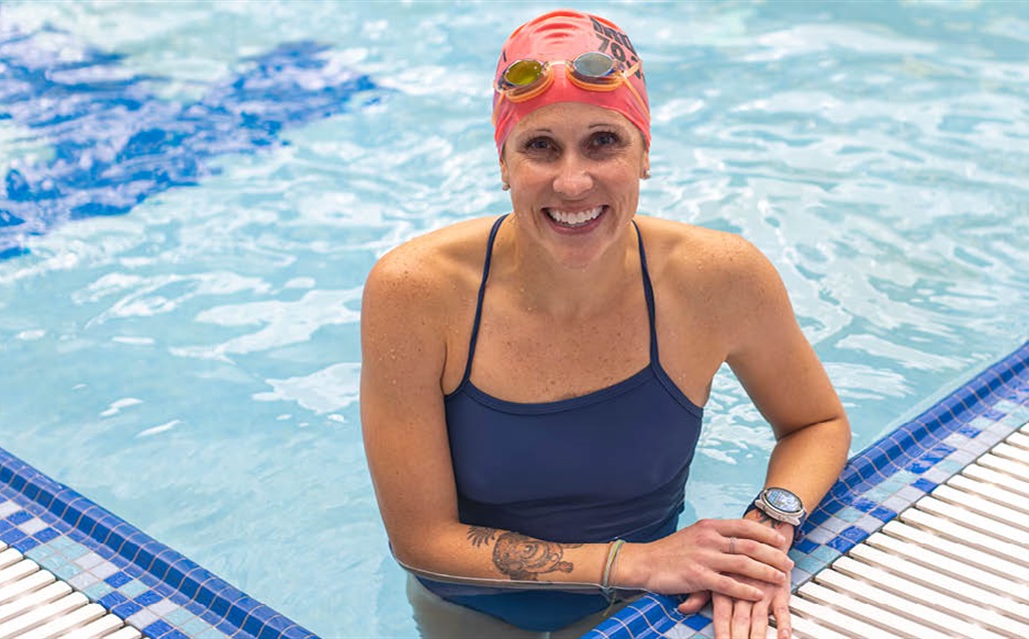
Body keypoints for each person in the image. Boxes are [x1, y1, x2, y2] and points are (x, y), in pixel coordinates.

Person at [360, 9, 851, 639]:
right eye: (540, 146)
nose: (572, 181)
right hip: (472, 613)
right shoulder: (418, 292)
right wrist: (638, 561)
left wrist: (763, 531)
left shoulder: (719, 279)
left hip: (655, 604)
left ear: (645, 153)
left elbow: (816, 423)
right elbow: (422, 539)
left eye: (603, 142)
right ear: (504, 163)